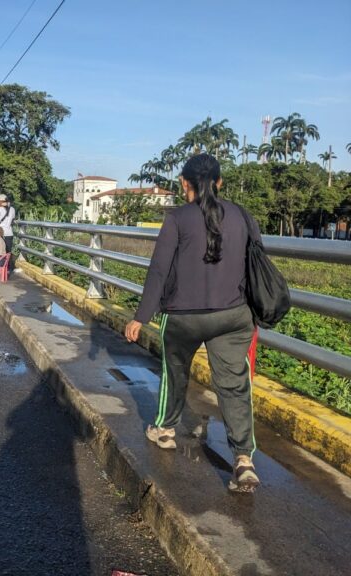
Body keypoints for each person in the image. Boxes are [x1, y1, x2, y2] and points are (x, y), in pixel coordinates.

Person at [124, 153, 261, 493]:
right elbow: (255, 263)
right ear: (220, 183)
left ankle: (166, 430)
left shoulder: (177, 219)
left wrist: (141, 317)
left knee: (176, 371)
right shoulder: (243, 216)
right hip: (233, 317)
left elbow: (159, 271)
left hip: (184, 317)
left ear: (184, 183)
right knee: (233, 385)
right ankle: (243, 459)